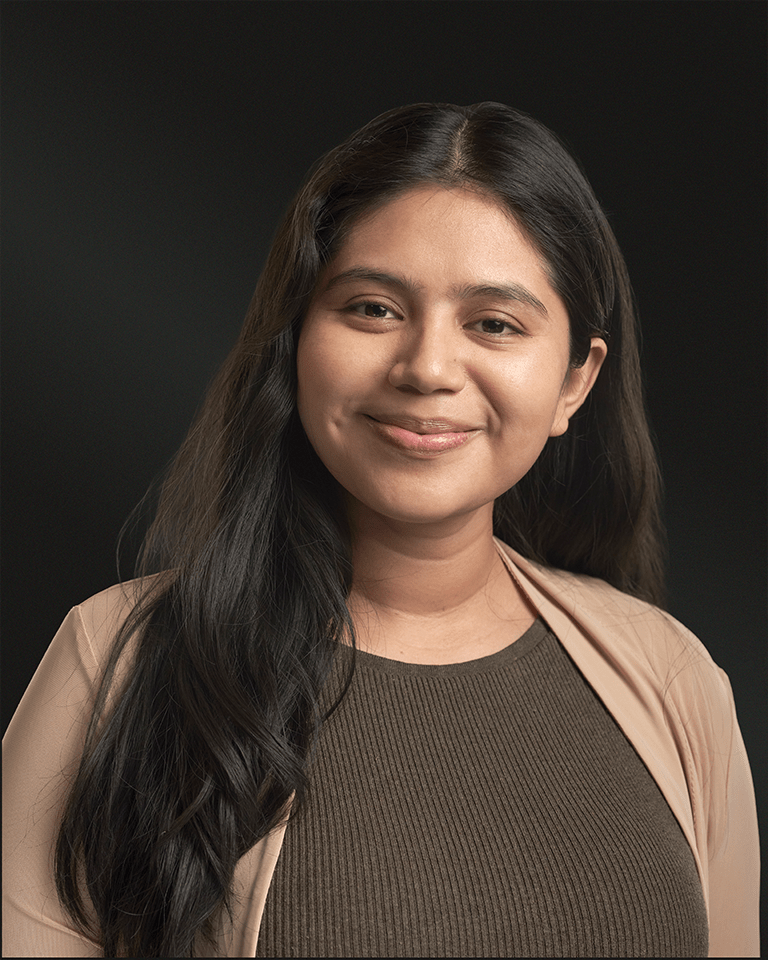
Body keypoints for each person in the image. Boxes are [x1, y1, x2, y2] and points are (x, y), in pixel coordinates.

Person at [2, 102, 759, 958]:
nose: (427, 368)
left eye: (494, 324)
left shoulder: (672, 679)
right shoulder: (116, 664)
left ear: (574, 384)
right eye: (372, 309)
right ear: (296, 341)